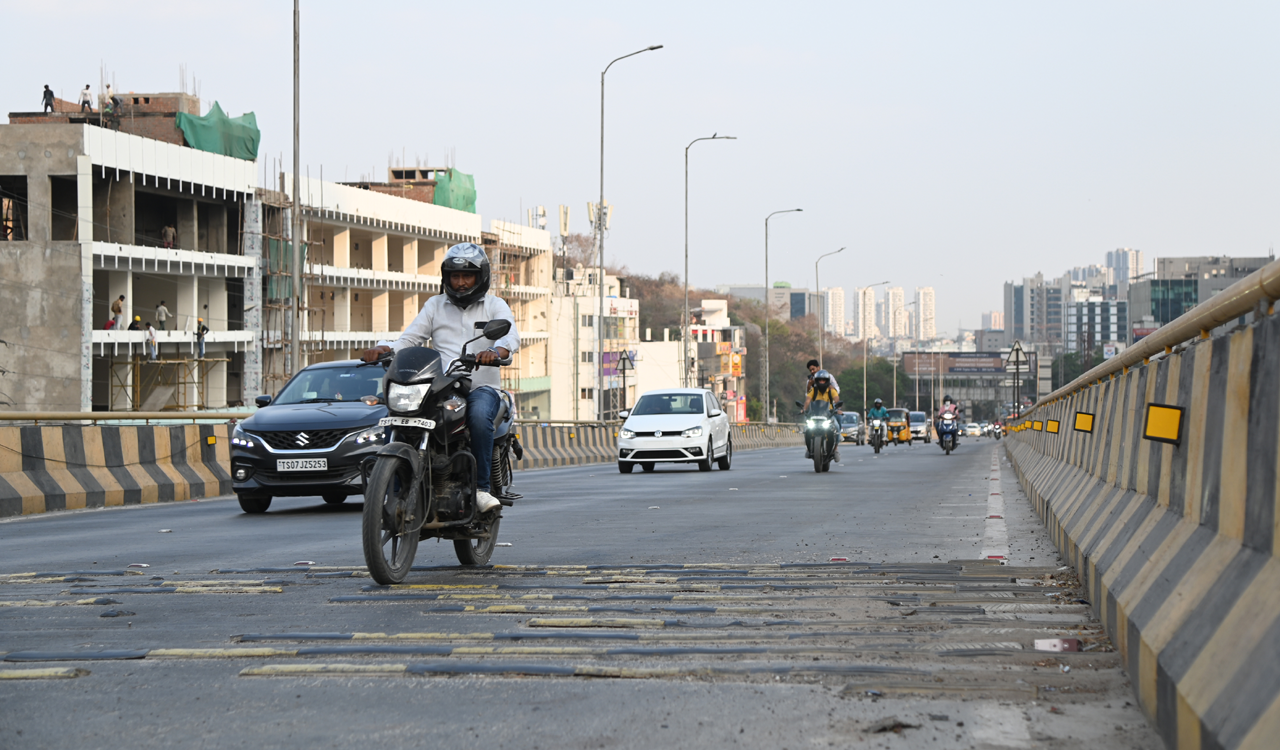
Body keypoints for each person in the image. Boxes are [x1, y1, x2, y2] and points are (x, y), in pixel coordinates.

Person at [361, 243, 519, 514]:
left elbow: (510, 337)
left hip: (481, 386)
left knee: (480, 417)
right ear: (446, 278)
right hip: (443, 385)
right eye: (454, 276)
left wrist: (495, 351)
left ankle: (481, 490)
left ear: (480, 277)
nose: (460, 283)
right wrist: (387, 348)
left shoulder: (495, 305)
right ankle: (391, 485)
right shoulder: (434, 305)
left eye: (466, 276)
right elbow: (412, 338)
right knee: (398, 414)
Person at [801, 369, 841, 459]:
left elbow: (836, 399)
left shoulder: (831, 390)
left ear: (827, 381)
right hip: (815, 416)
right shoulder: (813, 390)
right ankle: (808, 448)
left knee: (837, 428)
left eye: (824, 380)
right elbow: (807, 400)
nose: (822, 382)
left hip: (828, 415)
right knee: (806, 428)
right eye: (820, 380)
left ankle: (835, 449)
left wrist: (837, 407)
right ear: (816, 381)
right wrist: (804, 409)